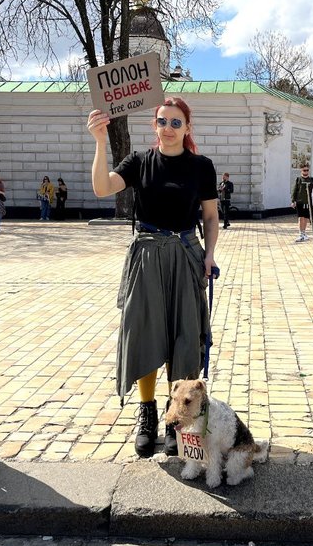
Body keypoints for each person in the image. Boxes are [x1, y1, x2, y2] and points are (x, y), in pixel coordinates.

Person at [87, 97, 219, 458]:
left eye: (177, 123)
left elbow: (209, 216)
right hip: (146, 255)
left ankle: (178, 418)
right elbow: (102, 187)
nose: (169, 128)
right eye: (163, 121)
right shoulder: (140, 162)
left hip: (185, 254)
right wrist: (100, 140)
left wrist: (208, 254)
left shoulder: (201, 167)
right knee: (144, 333)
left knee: (185, 337)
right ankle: (146, 413)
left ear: (187, 128)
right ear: (154, 125)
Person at [291, 164, 313, 242]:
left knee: (306, 218)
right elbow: (294, 191)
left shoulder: (311, 180)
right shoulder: (298, 179)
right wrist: (293, 201)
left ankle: (304, 233)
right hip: (300, 202)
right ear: (301, 171)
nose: (306, 172)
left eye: (307, 170)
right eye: (304, 170)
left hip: (308, 202)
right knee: (301, 218)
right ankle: (300, 234)